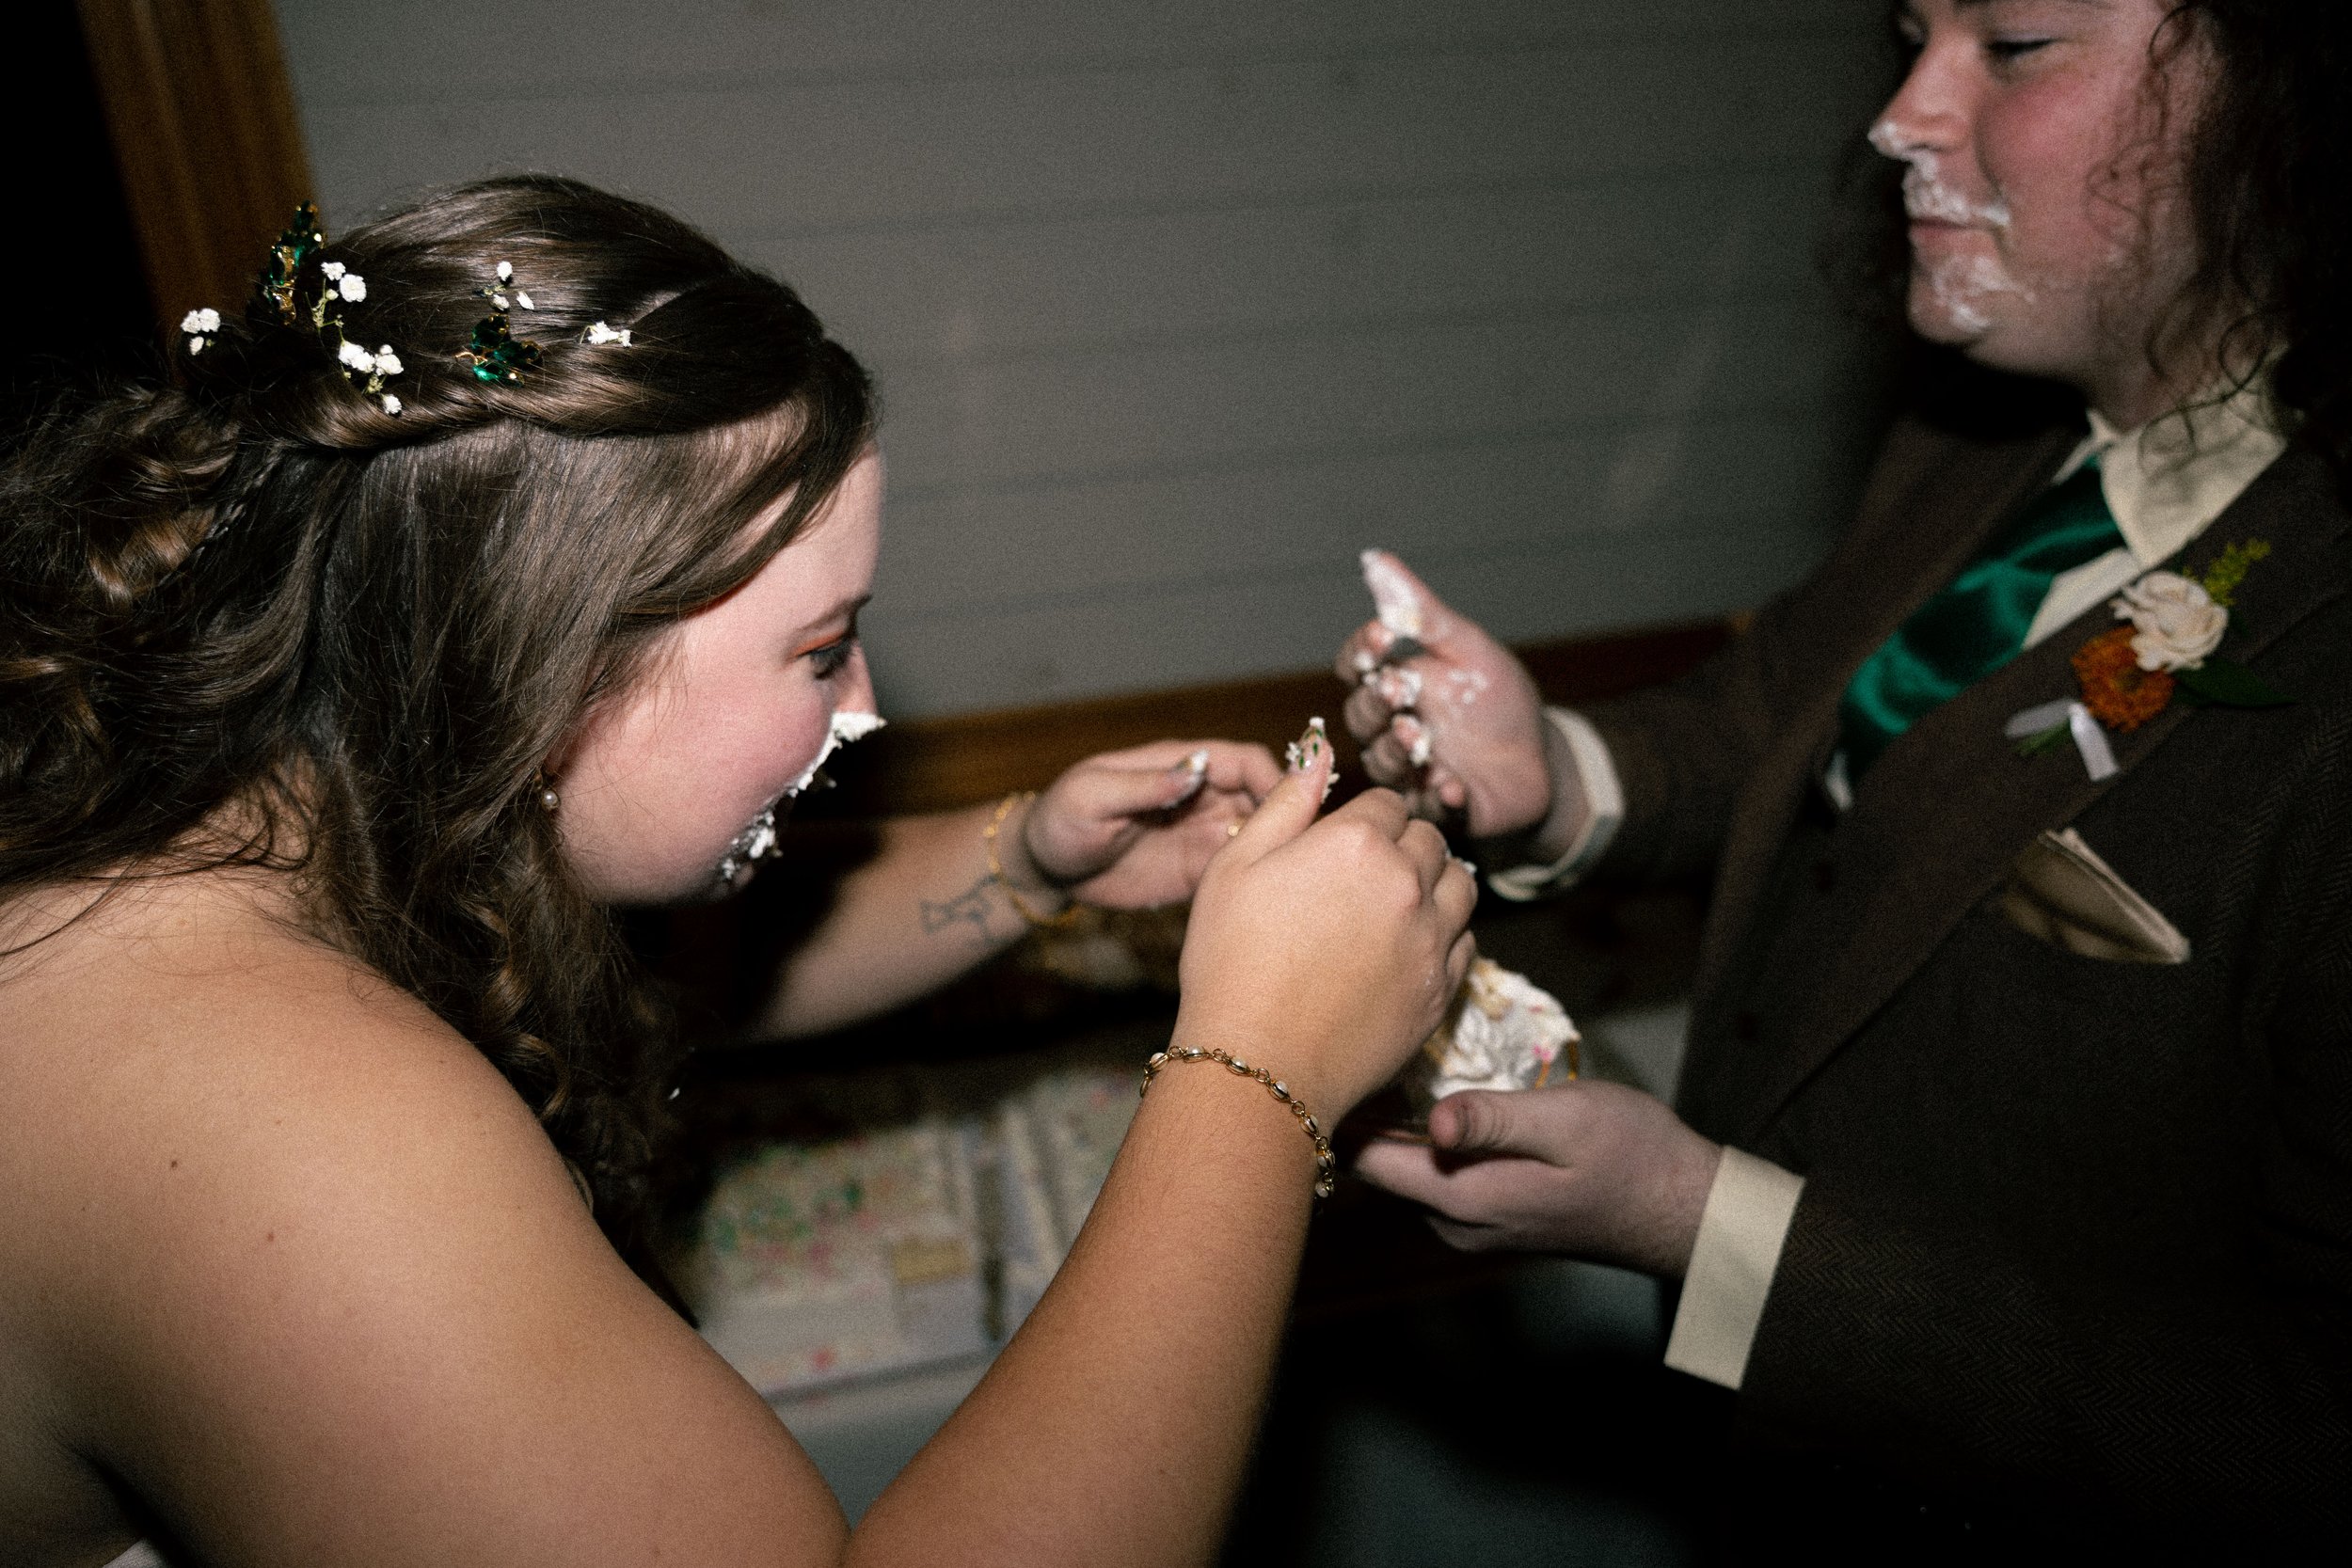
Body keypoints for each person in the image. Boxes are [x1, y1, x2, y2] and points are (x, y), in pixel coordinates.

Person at [0, 175, 1478, 1567]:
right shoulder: (296, 1137)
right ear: (547, 672)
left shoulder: (305, 801)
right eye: (821, 650)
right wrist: (1258, 1068)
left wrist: (1031, 862)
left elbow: (666, 993)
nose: (866, 709)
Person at [1343, 0, 2351, 1551]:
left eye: (2012, 44)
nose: (1900, 114)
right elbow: (1793, 712)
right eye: (1911, 33)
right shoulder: (1981, 438)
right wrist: (1548, 768)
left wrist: (1705, 1227)